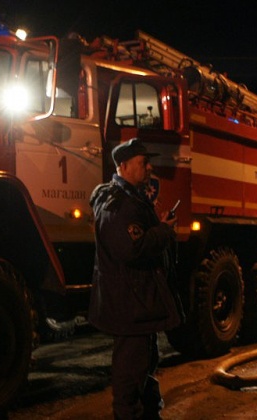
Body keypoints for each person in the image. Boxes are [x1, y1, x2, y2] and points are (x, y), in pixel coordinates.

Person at [89, 138, 182, 419]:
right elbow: (131, 248)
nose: (150, 167)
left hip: (139, 305)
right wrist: (164, 231)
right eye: (143, 163)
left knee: (143, 369)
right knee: (129, 381)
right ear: (124, 166)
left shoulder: (130, 199)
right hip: (131, 306)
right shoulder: (119, 204)